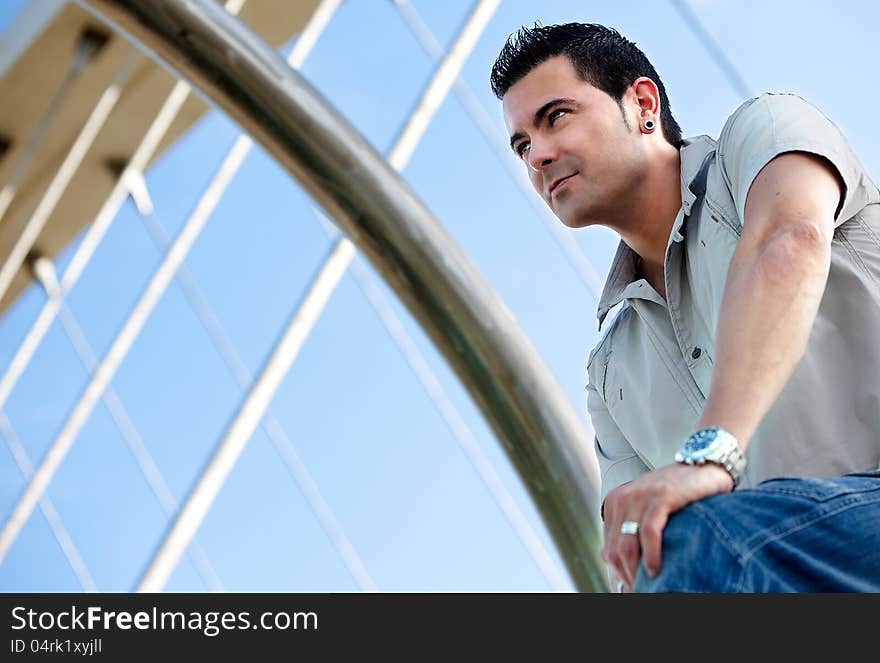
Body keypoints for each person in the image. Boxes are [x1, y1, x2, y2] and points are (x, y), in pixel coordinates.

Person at [490, 22, 880, 592]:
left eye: (556, 117)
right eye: (522, 145)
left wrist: (710, 455)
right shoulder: (610, 373)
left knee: (689, 544)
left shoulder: (761, 136)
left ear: (643, 103)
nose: (539, 157)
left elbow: (789, 238)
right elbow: (634, 559)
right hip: (792, 574)